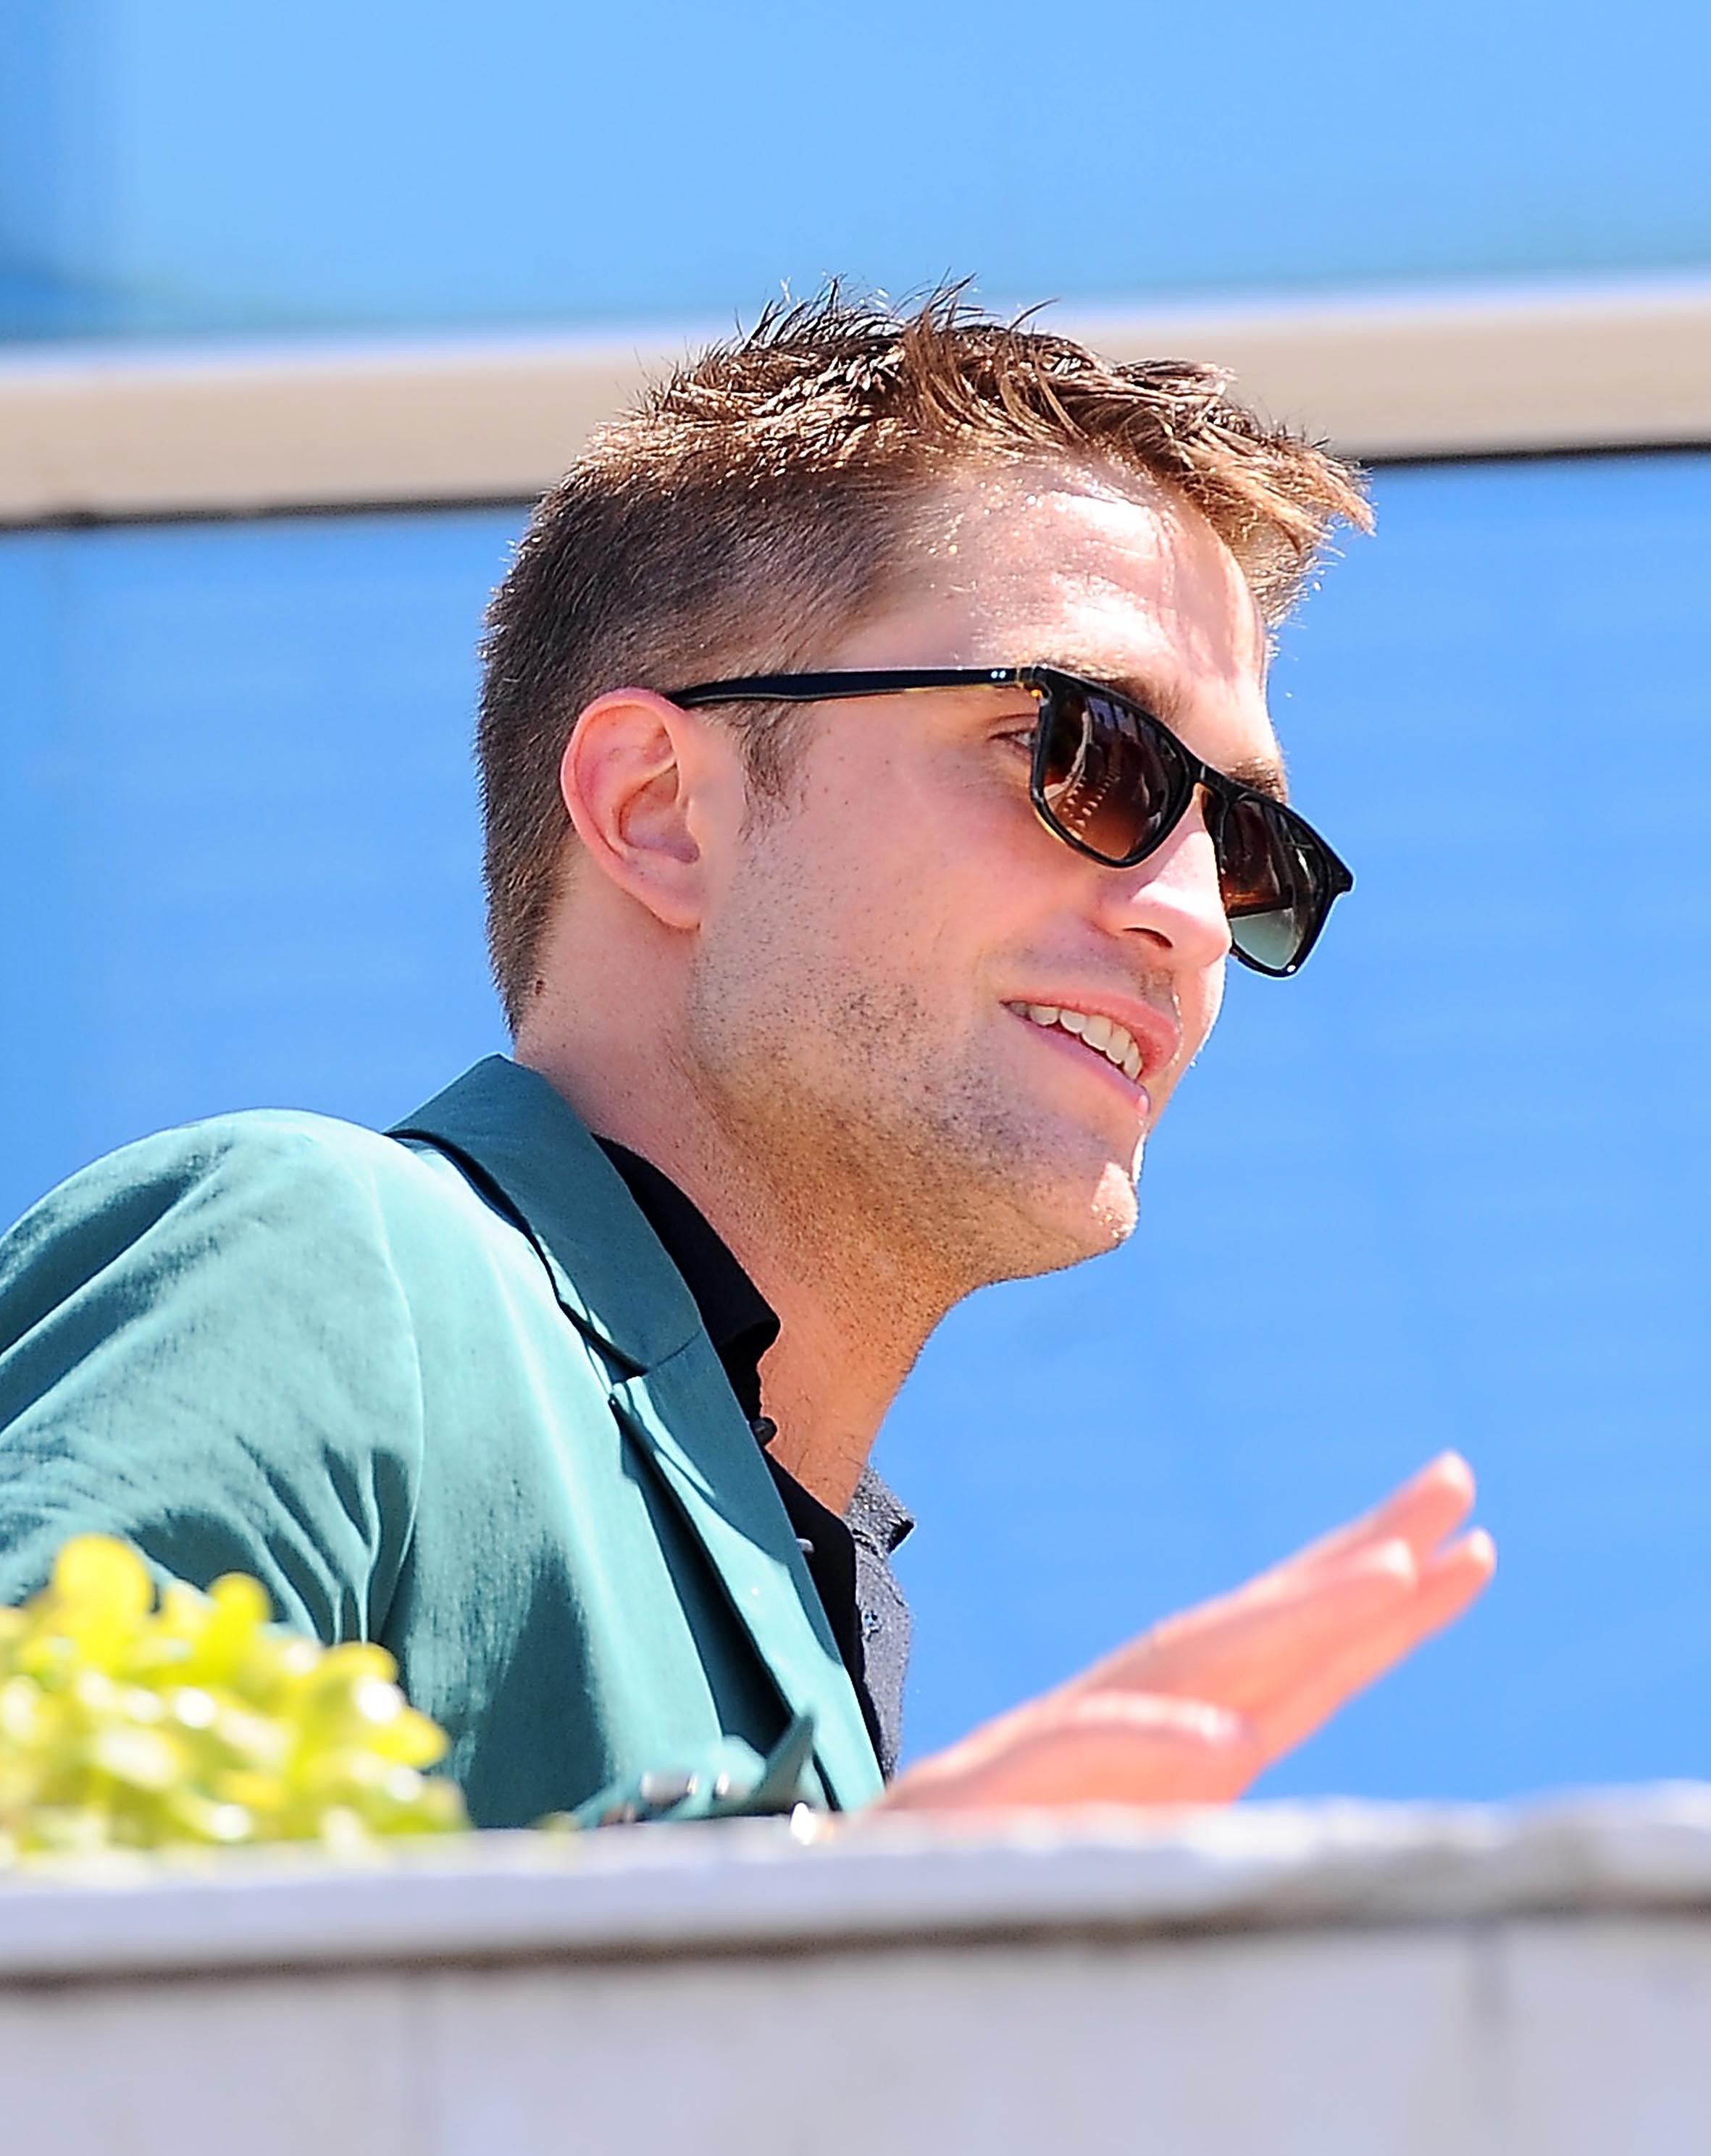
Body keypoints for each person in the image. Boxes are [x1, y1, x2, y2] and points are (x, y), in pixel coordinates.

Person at [0, 290, 1492, 1827]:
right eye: (1082, 750)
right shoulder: (327, 1264)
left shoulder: (810, 1627)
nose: (1184, 914)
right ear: (657, 809)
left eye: (1241, 843)